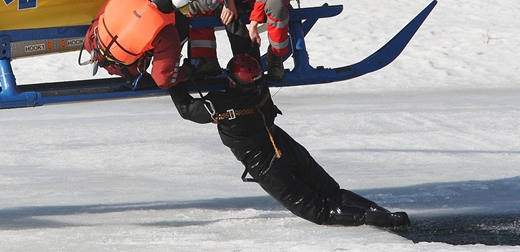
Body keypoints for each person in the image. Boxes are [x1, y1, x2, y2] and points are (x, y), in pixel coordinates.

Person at [168, 53, 411, 227]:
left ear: (231, 81)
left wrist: (173, 83)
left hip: (268, 166)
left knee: (319, 210)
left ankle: (372, 219)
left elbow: (187, 110)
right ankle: (379, 211)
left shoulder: (219, 104)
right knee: (332, 192)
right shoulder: (261, 85)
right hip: (287, 146)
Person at [83, 0, 202, 89]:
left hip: (92, 42)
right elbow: (163, 79)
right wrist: (188, 72)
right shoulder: (167, 33)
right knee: (181, 26)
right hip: (123, 69)